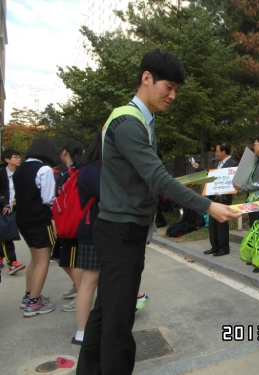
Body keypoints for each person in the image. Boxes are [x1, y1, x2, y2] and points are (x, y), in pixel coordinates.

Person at [76, 50, 239, 375]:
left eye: (177, 89)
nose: (173, 95)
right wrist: (209, 205)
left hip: (120, 229)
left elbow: (143, 180)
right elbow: (157, 177)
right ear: (146, 78)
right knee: (119, 325)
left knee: (106, 312)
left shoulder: (137, 120)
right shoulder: (129, 123)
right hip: (122, 233)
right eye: (169, 86)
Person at [14, 137, 59, 317]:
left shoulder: (20, 168)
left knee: (35, 259)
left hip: (23, 220)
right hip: (40, 220)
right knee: (43, 261)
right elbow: (48, 198)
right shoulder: (44, 169)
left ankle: (28, 296)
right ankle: (34, 304)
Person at [72, 132, 102, 345]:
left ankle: (90, 328)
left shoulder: (91, 167)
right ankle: (82, 331)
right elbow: (109, 195)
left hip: (97, 230)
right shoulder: (93, 169)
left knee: (94, 281)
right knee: (89, 281)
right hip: (94, 231)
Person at [191, 142, 238, 257]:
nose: (216, 153)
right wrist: (199, 168)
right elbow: (214, 177)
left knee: (221, 223)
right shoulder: (221, 164)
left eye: (217, 151)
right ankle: (215, 246)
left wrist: (222, 189)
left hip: (223, 198)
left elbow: (231, 181)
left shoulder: (232, 164)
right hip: (214, 196)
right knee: (213, 223)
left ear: (223, 151)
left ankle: (224, 248)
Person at [57, 140, 84, 313]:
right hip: (66, 223)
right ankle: (79, 288)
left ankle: (82, 294)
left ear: (64, 152)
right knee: (64, 260)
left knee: (71, 261)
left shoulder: (77, 173)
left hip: (74, 225)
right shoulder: (65, 173)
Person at [233, 134, 259, 227]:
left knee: (258, 230)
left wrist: (242, 187)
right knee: (253, 229)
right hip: (254, 202)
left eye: (255, 144)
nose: (254, 146)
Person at [0, 149, 26, 275]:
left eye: (19, 157)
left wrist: (19, 199)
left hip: (16, 209)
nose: (19, 159)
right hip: (3, 209)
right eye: (15, 157)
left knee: (5, 234)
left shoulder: (21, 173)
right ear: (7, 160)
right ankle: (13, 263)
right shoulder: (1, 173)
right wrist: (5, 203)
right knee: (6, 235)